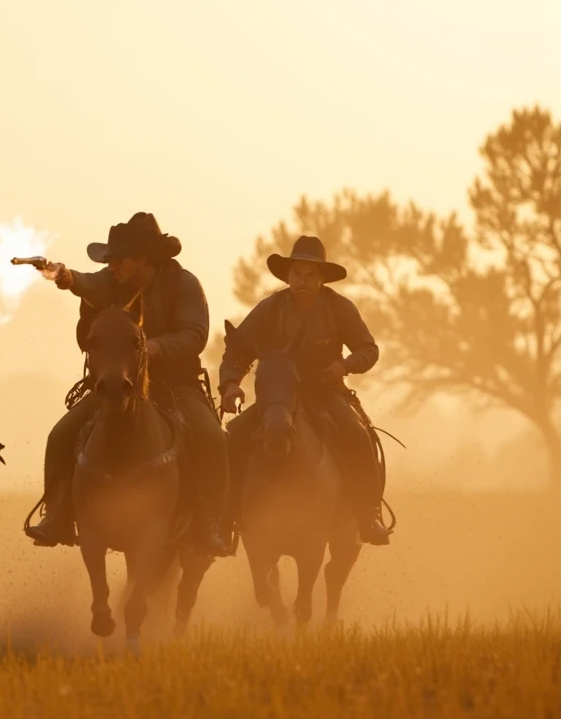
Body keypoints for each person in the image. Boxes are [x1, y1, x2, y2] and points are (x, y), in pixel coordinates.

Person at [25, 212, 232, 557]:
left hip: (176, 385)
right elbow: (88, 283)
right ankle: (58, 514)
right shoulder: (113, 281)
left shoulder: (185, 285)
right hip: (118, 384)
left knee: (212, 437)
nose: (112, 265)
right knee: (60, 436)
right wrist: (64, 275)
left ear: (143, 259)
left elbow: (196, 334)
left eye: (119, 259)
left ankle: (210, 523)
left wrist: (155, 347)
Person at [218, 234, 392, 545]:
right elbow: (237, 352)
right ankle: (226, 519)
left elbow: (369, 349)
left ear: (321, 278)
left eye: (311, 274)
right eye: (297, 273)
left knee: (357, 435)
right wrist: (231, 384)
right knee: (232, 438)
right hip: (278, 397)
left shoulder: (340, 308)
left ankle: (367, 516)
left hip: (326, 393)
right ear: (288, 275)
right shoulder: (269, 309)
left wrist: (345, 365)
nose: (303, 280)